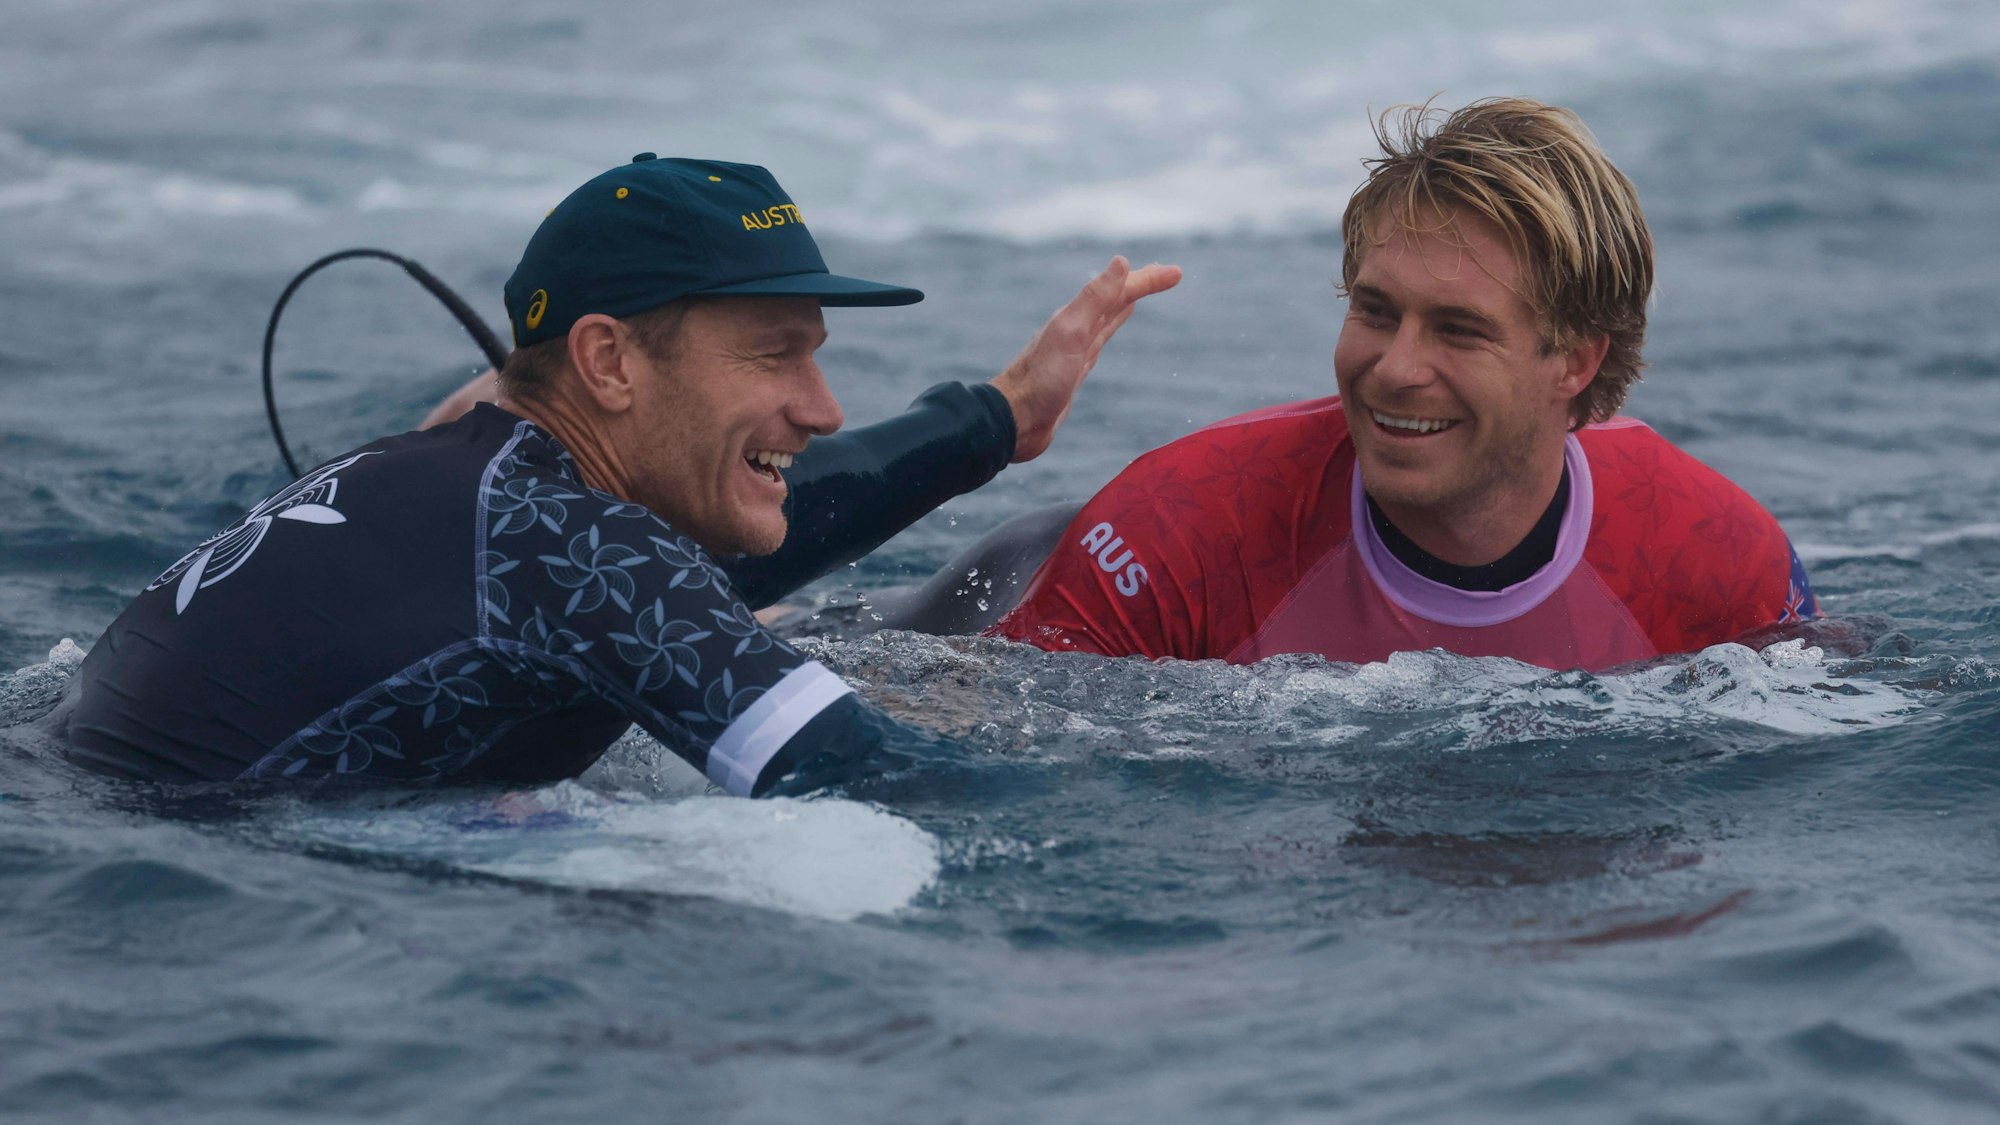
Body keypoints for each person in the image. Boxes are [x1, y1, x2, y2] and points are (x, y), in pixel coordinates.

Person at [58, 154, 1179, 792]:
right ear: (607, 361)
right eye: (773, 354)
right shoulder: (573, 546)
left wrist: (998, 418)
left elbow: (744, 530)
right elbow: (880, 783)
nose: (823, 407)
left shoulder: (429, 483)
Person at [988, 99, 1816, 670]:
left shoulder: (1717, 559)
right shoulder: (1174, 535)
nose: (1394, 367)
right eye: (1376, 312)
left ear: (1576, 361)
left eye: (1458, 329)